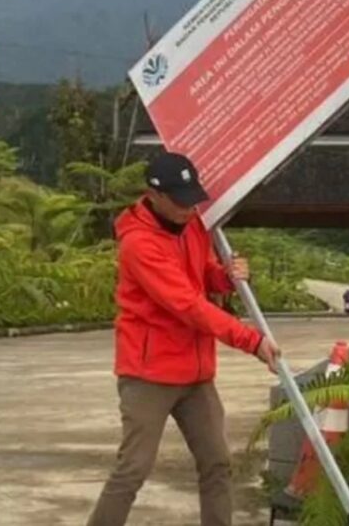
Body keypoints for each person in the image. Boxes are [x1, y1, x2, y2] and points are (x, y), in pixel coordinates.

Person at [88, 152, 280, 526]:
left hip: (195, 375)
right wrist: (252, 341)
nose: (189, 208)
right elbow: (188, 305)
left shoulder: (193, 224)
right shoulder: (139, 245)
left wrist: (227, 276)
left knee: (217, 463)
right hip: (149, 375)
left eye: (193, 198)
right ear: (153, 195)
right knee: (133, 470)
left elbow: (204, 274)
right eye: (179, 201)